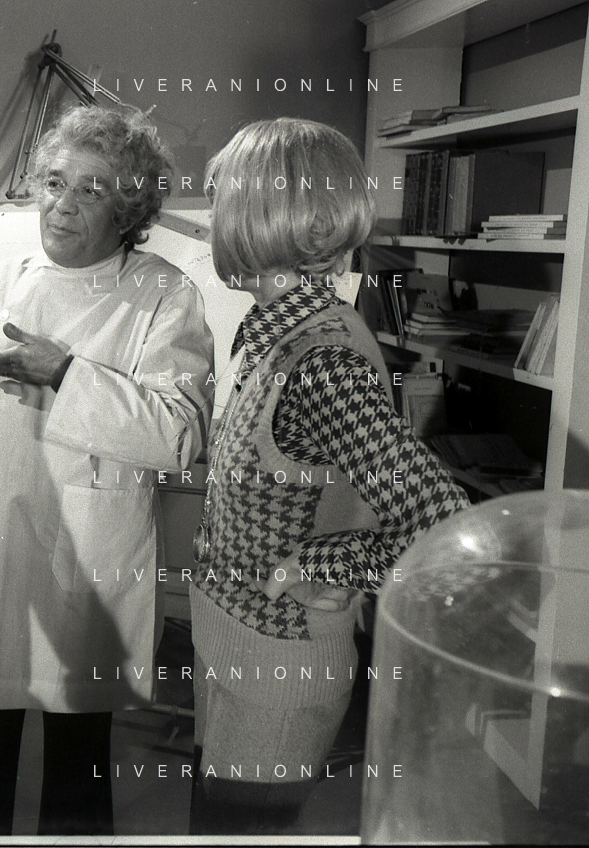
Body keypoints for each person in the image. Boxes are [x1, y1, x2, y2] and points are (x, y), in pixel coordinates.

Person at [0, 105, 215, 835]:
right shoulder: (7, 277)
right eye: (55, 182)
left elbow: (179, 434)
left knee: (77, 755)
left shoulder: (163, 295)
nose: (63, 204)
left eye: (92, 189)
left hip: (87, 551)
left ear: (128, 209)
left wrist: (65, 374)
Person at [188, 117, 470, 833]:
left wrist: (328, 561)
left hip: (278, 667)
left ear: (263, 215)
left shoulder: (321, 361)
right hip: (234, 643)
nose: (211, 217)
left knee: (238, 834)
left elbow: (444, 527)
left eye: (220, 199)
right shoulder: (272, 331)